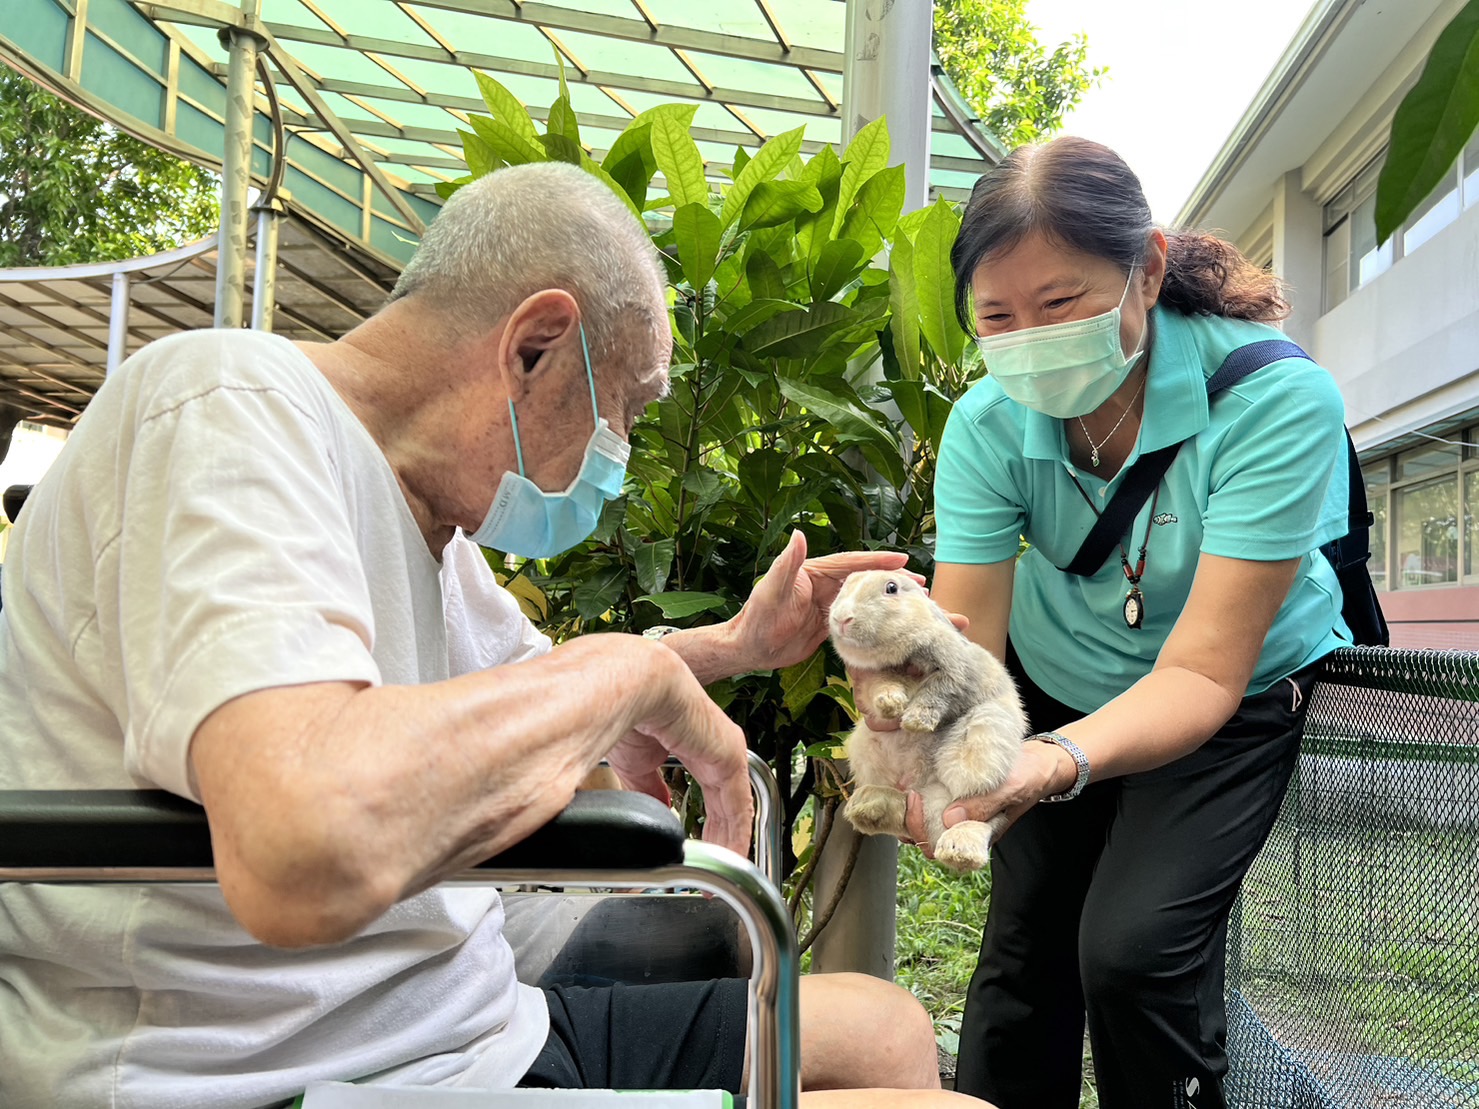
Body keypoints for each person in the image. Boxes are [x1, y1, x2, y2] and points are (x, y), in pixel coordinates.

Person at [0, 162, 986, 1109]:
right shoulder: (227, 404)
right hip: (269, 1068)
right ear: (535, 345)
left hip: (464, 1024)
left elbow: (524, 688)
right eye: (628, 412)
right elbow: (306, 845)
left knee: (891, 1027)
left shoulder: (433, 524)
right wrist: (624, 670)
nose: (622, 457)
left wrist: (728, 646)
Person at [907, 137, 1352, 1109]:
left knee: (1136, 948)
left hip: (1224, 698)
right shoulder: (986, 424)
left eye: (1060, 304)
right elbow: (971, 642)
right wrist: (932, 735)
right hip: (1060, 675)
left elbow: (1200, 675)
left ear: (1147, 269)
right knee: (1026, 948)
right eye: (997, 316)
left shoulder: (1275, 398)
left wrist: (1055, 760)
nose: (1027, 337)